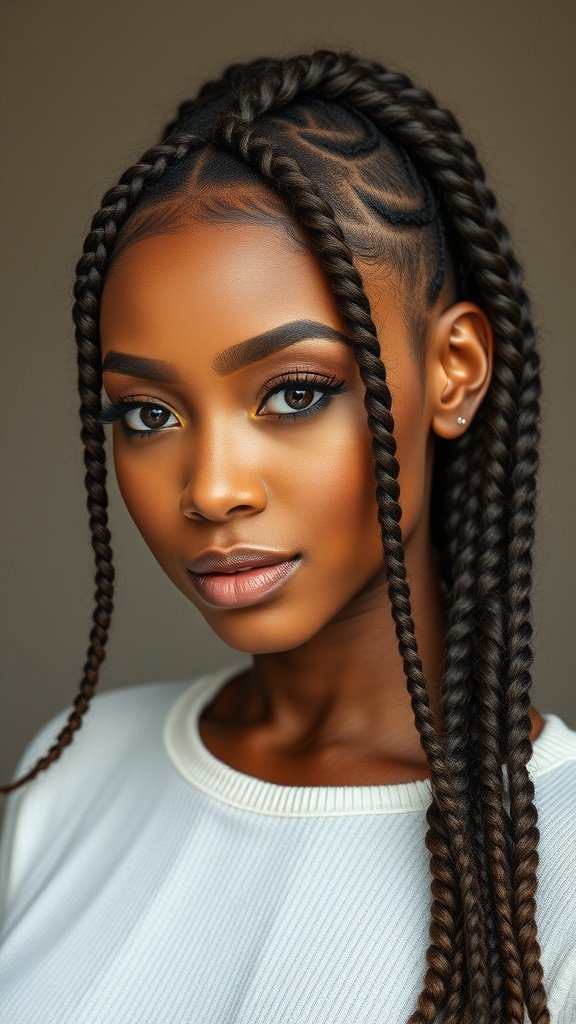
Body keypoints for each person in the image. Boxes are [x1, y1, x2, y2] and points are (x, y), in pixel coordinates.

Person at [0, 49, 574, 1024]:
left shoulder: (558, 853)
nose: (212, 489)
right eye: (146, 413)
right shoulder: (70, 771)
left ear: (455, 369)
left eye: (294, 393)